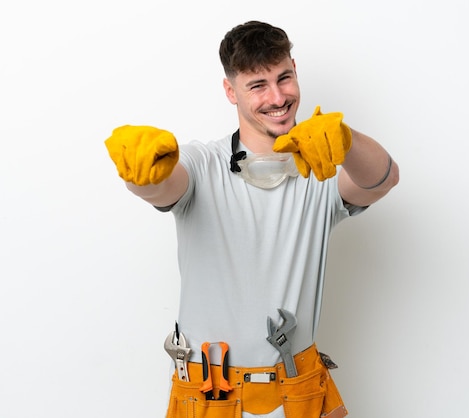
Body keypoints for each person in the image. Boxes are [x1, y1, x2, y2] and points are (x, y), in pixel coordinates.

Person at [105, 20, 399, 418]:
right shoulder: (202, 163)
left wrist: (346, 140)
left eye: (284, 78)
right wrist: (144, 174)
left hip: (298, 391)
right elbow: (164, 187)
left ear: (295, 70)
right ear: (231, 91)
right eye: (257, 85)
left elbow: (383, 179)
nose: (277, 97)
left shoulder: (322, 169)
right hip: (210, 398)